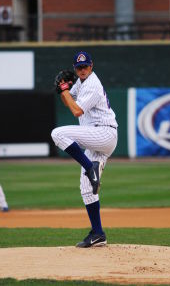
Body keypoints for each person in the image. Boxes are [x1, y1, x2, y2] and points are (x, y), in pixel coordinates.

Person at [51, 51, 118, 248]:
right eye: (79, 67)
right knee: (87, 189)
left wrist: (63, 90)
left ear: (91, 66)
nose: (82, 70)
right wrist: (63, 90)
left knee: (57, 134)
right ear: (75, 68)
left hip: (104, 133)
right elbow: (68, 100)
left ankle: (91, 167)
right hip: (95, 138)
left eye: (85, 66)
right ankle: (98, 233)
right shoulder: (81, 83)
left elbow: (76, 110)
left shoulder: (92, 84)